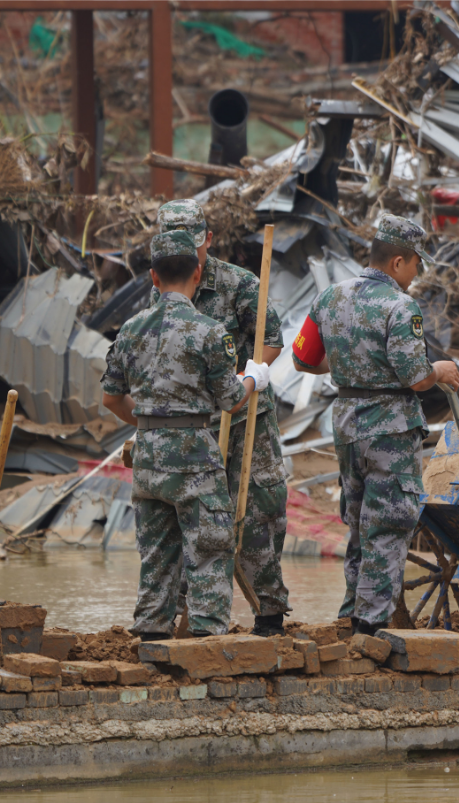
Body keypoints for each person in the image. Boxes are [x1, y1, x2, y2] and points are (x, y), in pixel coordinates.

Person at [291, 214, 459, 636]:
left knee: (358, 523)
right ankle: (370, 628)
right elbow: (415, 378)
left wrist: (352, 366)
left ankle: (351, 613)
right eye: (416, 263)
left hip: (347, 424)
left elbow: (302, 359)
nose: (417, 272)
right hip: (389, 428)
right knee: (388, 524)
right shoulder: (400, 306)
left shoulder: (330, 296)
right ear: (397, 262)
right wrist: (441, 369)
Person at [101, 230, 270, 640]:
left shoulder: (130, 330)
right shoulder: (210, 332)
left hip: (147, 456)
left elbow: (110, 398)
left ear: (153, 279)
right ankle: (207, 640)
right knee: (211, 548)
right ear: (197, 274)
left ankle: (152, 640)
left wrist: (148, 423)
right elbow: (231, 401)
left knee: (157, 555)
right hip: (195, 454)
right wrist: (253, 378)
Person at [155, 199, 292, 636]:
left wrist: (245, 378)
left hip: (247, 419)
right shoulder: (159, 287)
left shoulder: (239, 284)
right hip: (192, 426)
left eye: (193, 246)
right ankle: (186, 615)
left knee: (257, 513)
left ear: (208, 241)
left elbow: (270, 341)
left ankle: (269, 612)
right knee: (188, 520)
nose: (187, 256)